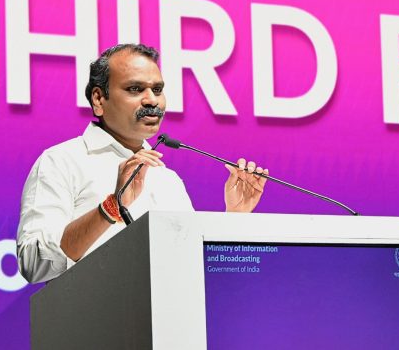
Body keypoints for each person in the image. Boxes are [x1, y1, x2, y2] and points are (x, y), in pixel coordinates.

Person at [17, 44, 268, 283]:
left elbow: (193, 268)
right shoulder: (62, 161)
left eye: (157, 90)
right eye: (135, 89)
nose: (151, 101)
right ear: (99, 99)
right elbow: (32, 264)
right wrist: (110, 208)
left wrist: (234, 219)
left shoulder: (167, 178)